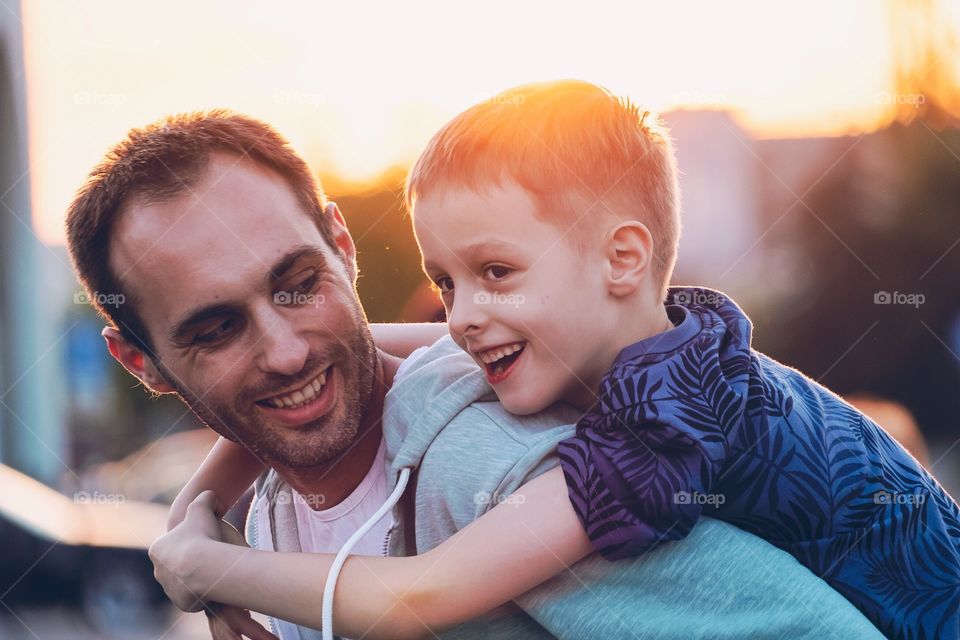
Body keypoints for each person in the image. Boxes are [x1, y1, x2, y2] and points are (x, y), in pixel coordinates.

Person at [164, 80, 958, 638]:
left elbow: (420, 595)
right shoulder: (671, 343)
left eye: (496, 273)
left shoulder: (663, 425)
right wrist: (193, 510)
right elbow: (344, 356)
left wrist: (206, 568)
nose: (464, 316)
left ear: (621, 259)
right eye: (447, 280)